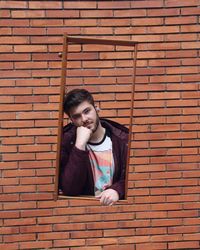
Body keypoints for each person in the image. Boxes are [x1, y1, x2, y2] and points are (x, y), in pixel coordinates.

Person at [59, 88, 128, 206]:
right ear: (71, 120)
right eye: (77, 117)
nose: (84, 119)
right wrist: (79, 146)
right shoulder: (66, 142)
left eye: (87, 111)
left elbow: (133, 177)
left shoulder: (121, 140)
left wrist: (117, 189)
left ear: (96, 109)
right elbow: (70, 189)